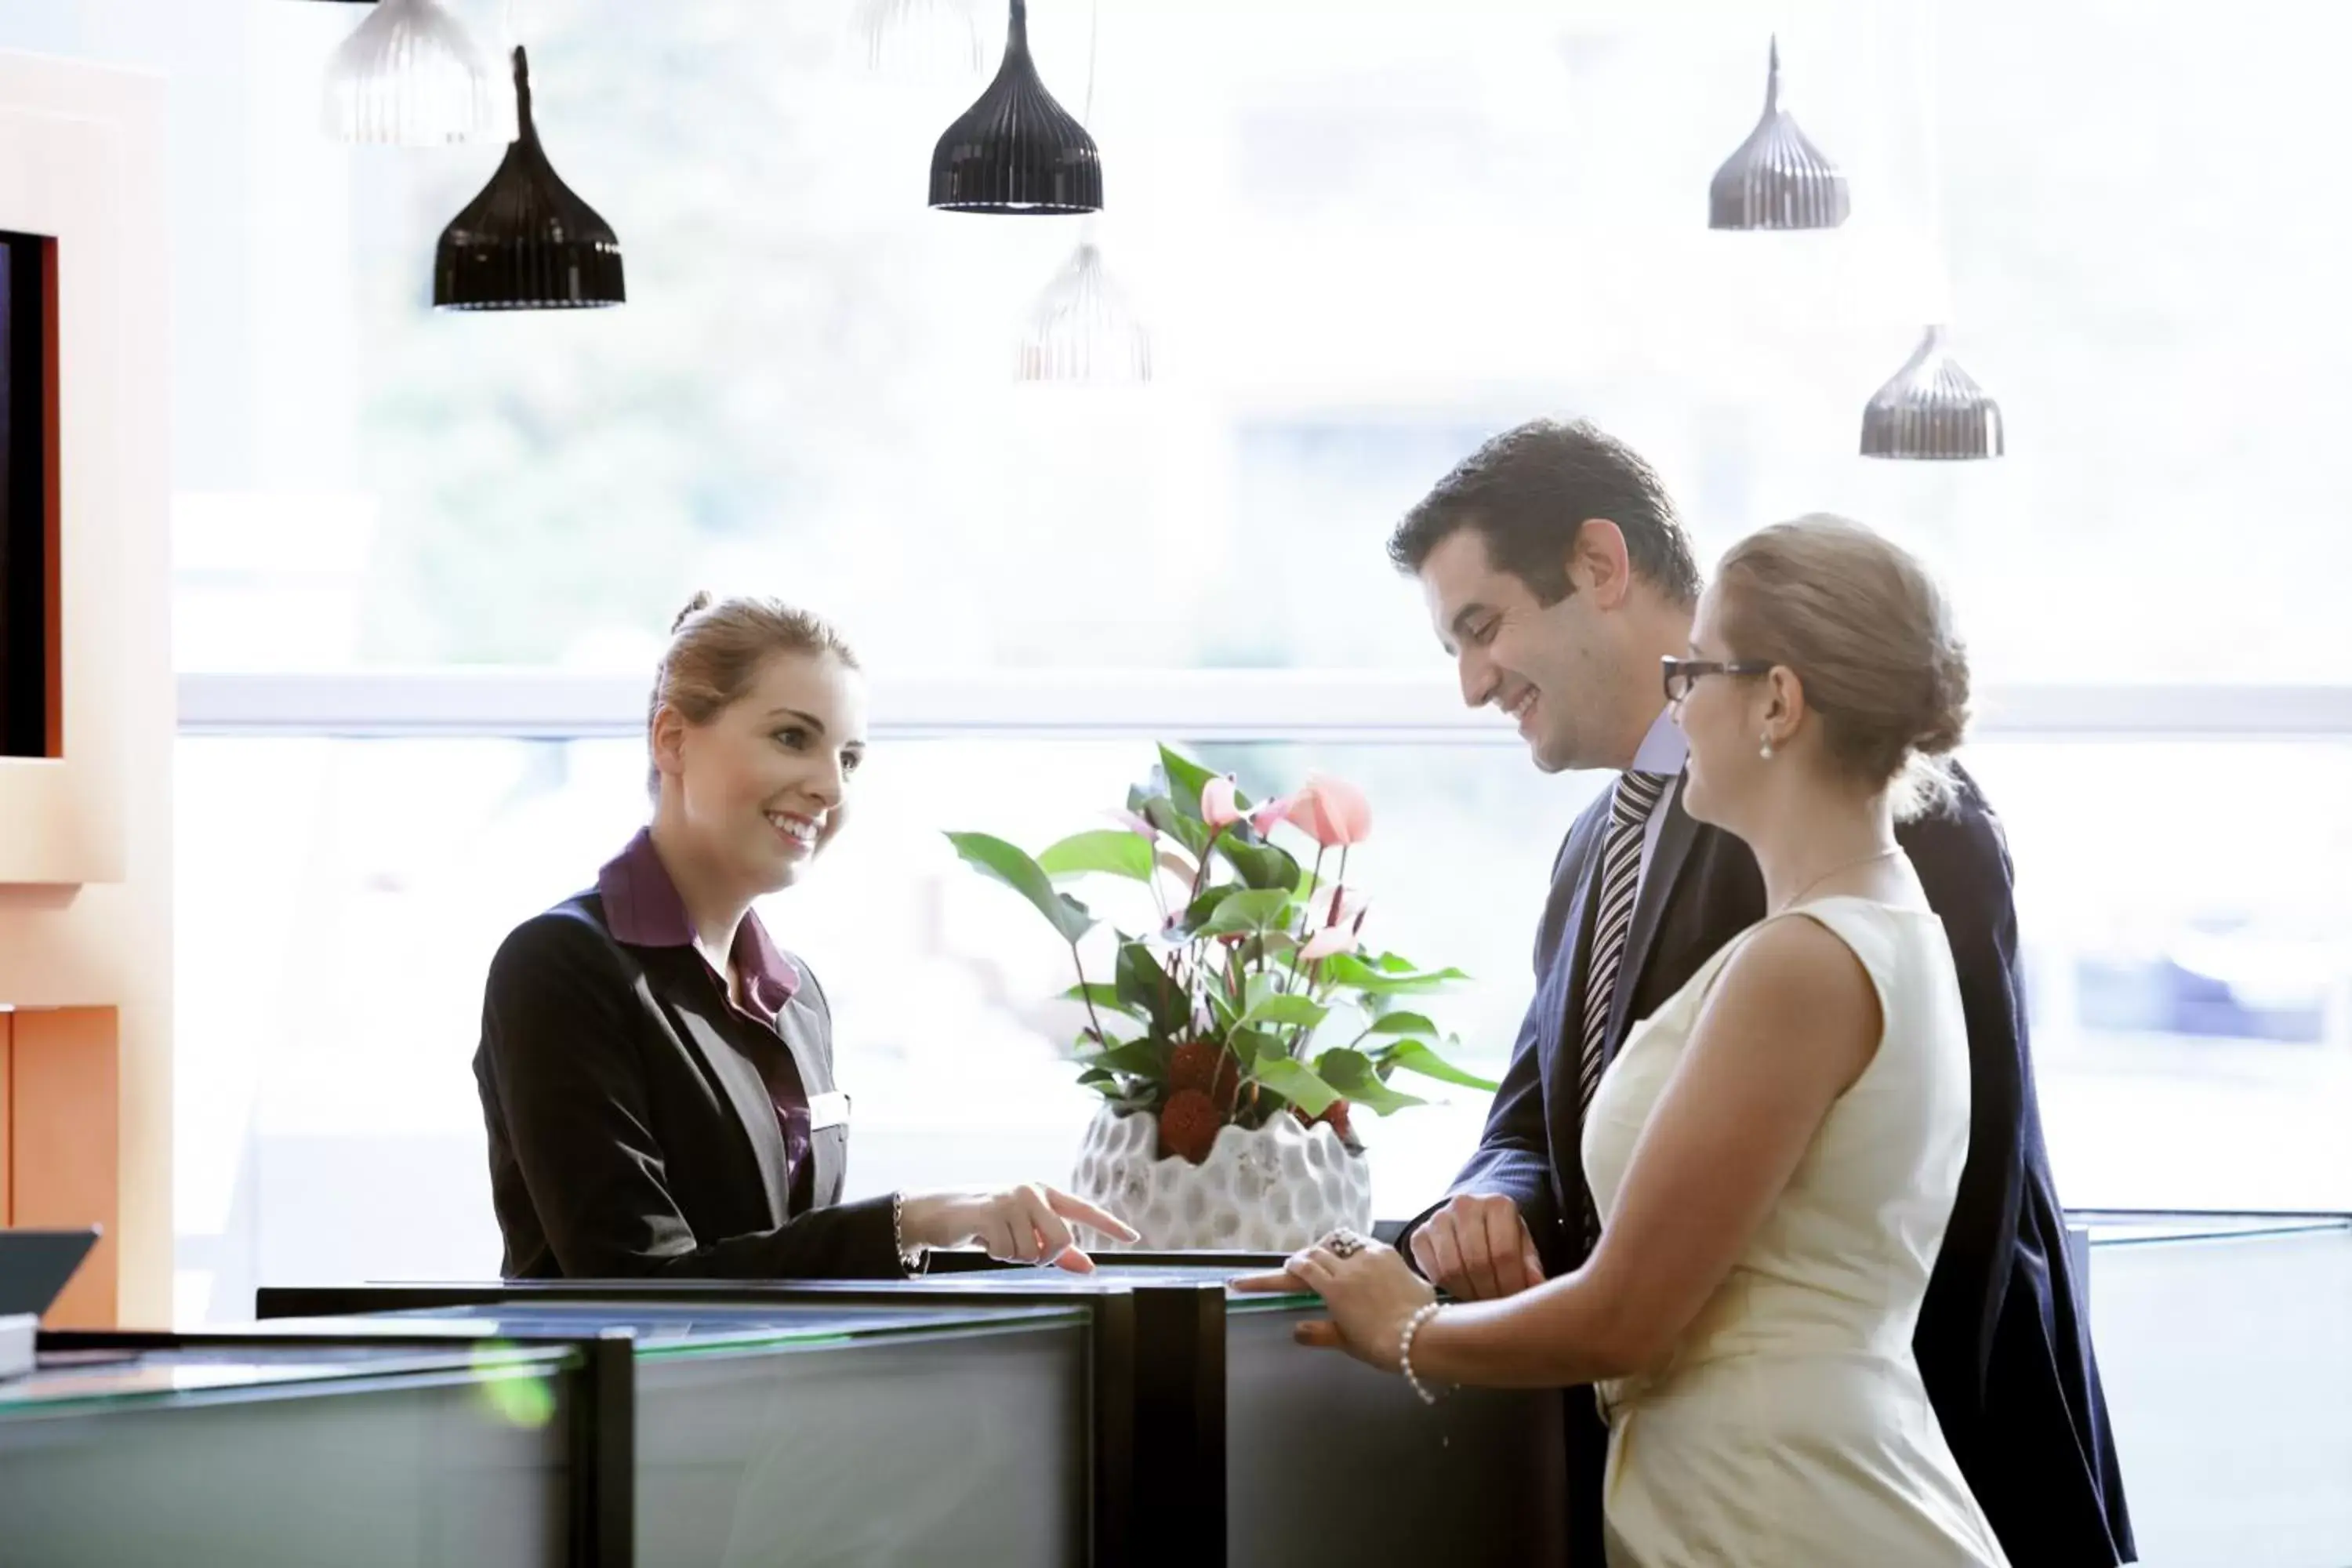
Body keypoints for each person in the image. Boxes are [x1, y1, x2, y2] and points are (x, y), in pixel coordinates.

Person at [1247, 423, 2132, 1566]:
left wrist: (1414, 1334)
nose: (1471, 685)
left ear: (1601, 567)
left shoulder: (1898, 823)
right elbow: (1541, 1124)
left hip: (1848, 1481)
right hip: (1690, 1484)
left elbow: (1972, 1208)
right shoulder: (1588, 854)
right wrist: (1494, 1203)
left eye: (1483, 627)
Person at [475, 593, 1137, 1279]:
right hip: (627, 1388)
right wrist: (912, 1220)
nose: (829, 786)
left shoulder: (795, 998)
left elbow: (786, 1264)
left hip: (774, 1384)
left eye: (848, 759)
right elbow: (632, 1277)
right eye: (793, 737)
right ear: (672, 739)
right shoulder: (561, 966)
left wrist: (985, 1248)